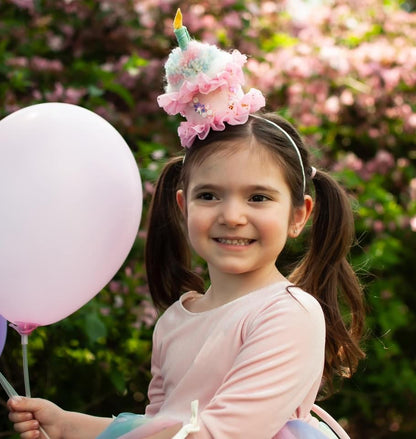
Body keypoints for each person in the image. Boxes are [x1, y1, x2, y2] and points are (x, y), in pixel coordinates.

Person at [8, 9, 365, 439]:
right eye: (209, 195)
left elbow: (219, 434)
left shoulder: (287, 315)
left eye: (258, 197)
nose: (232, 215)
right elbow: (157, 427)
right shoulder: (176, 320)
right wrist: (67, 426)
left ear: (297, 215)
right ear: (183, 205)